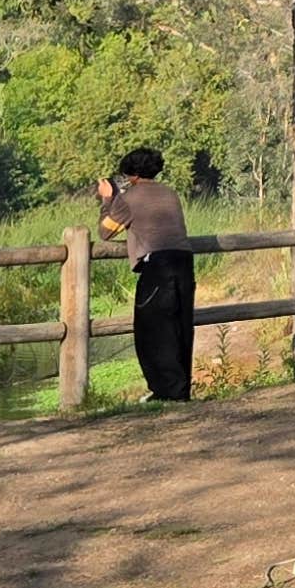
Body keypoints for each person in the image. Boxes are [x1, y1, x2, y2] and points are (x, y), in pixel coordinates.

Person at [97, 146, 196, 403]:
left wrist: (108, 199)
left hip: (158, 267)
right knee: (180, 326)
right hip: (184, 262)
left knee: (152, 330)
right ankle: (180, 389)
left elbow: (106, 231)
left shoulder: (129, 198)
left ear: (131, 174)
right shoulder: (170, 193)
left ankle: (166, 392)